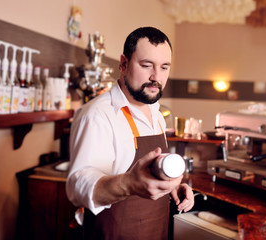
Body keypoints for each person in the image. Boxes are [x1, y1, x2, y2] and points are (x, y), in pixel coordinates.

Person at [66, 26, 194, 240]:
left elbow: (151, 172)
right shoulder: (97, 114)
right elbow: (78, 185)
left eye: (164, 67)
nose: (156, 77)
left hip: (155, 231)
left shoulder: (157, 113)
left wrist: (172, 186)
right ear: (124, 64)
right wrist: (128, 184)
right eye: (146, 66)